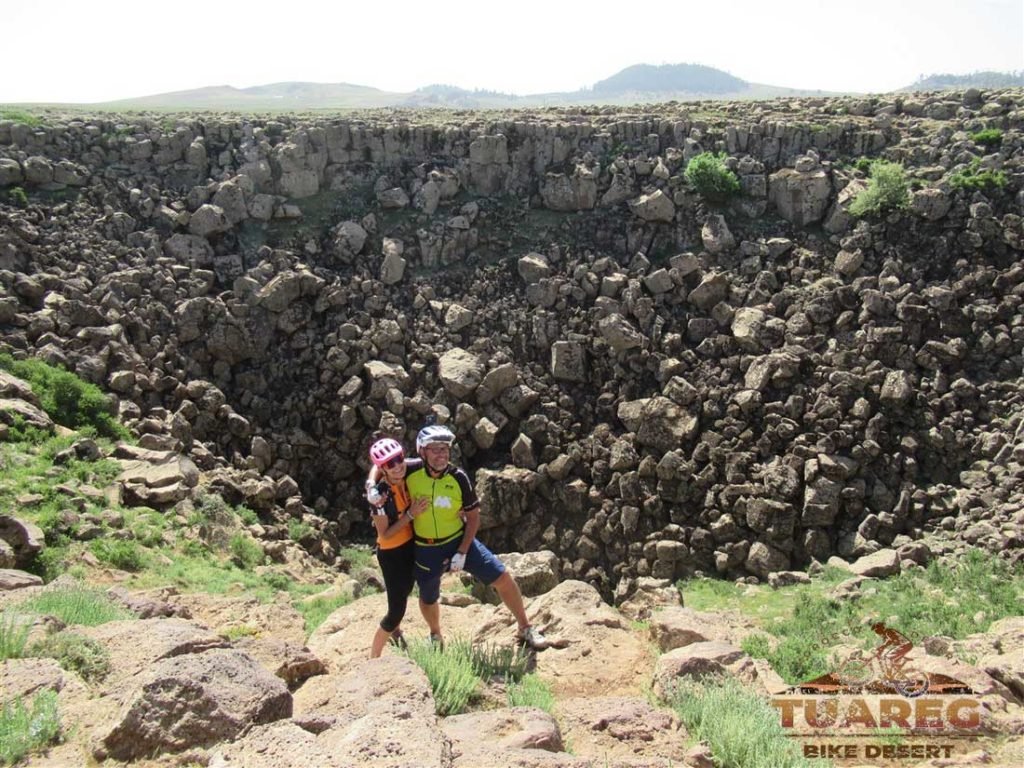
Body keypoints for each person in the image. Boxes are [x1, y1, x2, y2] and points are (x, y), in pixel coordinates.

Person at [403, 423, 549, 650]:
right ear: (422, 451)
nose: (442, 454)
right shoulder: (410, 471)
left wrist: (462, 551)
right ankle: (435, 635)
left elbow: (473, 518)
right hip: (426, 547)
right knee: (428, 596)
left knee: (502, 577)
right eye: (435, 449)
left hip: (458, 540)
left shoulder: (458, 477)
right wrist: (373, 486)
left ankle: (525, 627)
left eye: (445, 449)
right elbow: (383, 467)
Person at [365, 437, 430, 658]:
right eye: (390, 464)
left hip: (409, 544)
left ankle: (395, 632)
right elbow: (384, 533)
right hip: (391, 552)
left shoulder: (406, 469)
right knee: (396, 610)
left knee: (406, 590)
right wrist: (411, 514)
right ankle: (374, 658)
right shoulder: (381, 497)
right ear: (384, 469)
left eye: (399, 459)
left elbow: (429, 461)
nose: (397, 465)